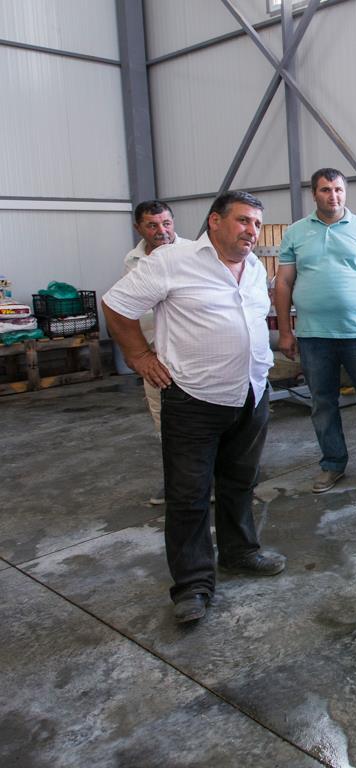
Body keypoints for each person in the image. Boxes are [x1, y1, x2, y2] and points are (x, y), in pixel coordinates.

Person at [102, 191, 286, 625]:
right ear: (215, 221)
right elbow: (116, 305)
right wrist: (139, 355)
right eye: (243, 221)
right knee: (188, 496)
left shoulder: (254, 268)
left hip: (250, 394)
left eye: (257, 224)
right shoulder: (173, 261)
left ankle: (239, 552)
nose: (252, 231)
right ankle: (192, 585)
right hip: (192, 400)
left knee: (240, 483)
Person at [275, 168, 356, 494]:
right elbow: (283, 282)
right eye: (326, 190)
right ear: (314, 194)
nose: (334, 196)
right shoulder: (296, 232)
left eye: (339, 189)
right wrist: (285, 331)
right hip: (313, 335)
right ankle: (332, 464)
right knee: (322, 403)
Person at [123, 200, 193, 505]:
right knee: (163, 420)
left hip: (190, 353)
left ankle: (212, 479)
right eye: (152, 225)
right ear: (138, 228)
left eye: (166, 223)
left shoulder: (193, 253)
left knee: (201, 420)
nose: (161, 231)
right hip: (155, 356)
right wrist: (140, 354)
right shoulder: (133, 260)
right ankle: (178, 481)